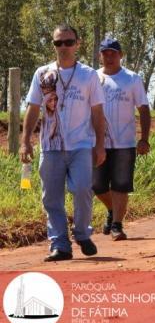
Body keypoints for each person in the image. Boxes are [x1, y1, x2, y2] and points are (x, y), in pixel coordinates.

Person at [20, 25, 106, 262]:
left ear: (78, 44)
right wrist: (26, 141)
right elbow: (33, 108)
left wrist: (100, 145)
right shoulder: (42, 74)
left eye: (68, 42)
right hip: (50, 146)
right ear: (54, 46)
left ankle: (81, 233)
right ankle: (60, 244)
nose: (64, 47)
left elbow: (98, 113)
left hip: (81, 145)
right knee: (51, 197)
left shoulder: (89, 75)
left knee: (81, 189)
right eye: (59, 43)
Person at [93, 38, 151, 241]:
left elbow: (143, 109)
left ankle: (117, 224)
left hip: (124, 143)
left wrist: (144, 138)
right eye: (105, 53)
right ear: (100, 55)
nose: (109, 57)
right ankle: (112, 209)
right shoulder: (93, 78)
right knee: (97, 185)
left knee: (121, 184)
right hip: (97, 142)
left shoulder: (132, 79)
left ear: (121, 55)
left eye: (113, 53)